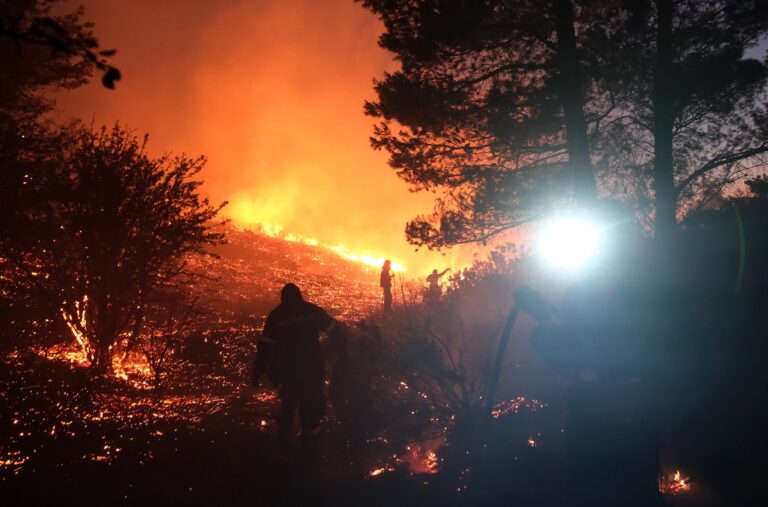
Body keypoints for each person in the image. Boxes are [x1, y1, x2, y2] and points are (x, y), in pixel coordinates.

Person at [252, 283, 336, 470]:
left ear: (283, 297)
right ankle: (309, 456)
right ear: (300, 296)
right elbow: (334, 330)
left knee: (288, 408)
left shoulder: (277, 315)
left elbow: (265, 347)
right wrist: (339, 357)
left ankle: (283, 453)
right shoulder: (311, 310)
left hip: (289, 372)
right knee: (311, 410)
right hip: (312, 370)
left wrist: (258, 372)